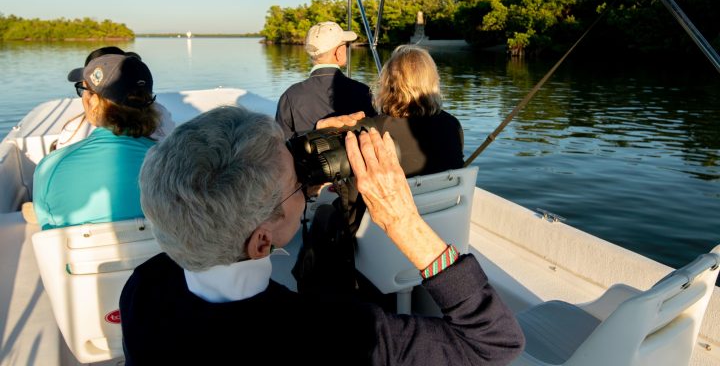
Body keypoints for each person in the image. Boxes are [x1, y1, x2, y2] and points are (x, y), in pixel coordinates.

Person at [120, 106, 524, 365]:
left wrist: (287, 159)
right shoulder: (338, 335)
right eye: (298, 185)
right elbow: (495, 343)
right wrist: (403, 219)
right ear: (262, 241)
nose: (305, 186)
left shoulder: (144, 288)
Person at [32, 54, 160, 229]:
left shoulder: (50, 167)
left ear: (93, 100)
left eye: (82, 90)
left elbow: (46, 226)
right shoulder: (176, 163)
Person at [52, 46, 174, 150]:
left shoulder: (73, 130)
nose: (85, 97)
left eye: (85, 89)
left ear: (94, 99)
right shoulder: (161, 116)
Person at [372, 45, 464, 177]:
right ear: (432, 80)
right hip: (442, 197)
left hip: (395, 197)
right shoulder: (452, 125)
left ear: (388, 82)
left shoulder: (376, 128)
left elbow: (354, 192)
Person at [275, 21, 376, 140]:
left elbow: (279, 145)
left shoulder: (290, 96)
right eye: (346, 46)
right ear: (339, 53)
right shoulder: (363, 92)